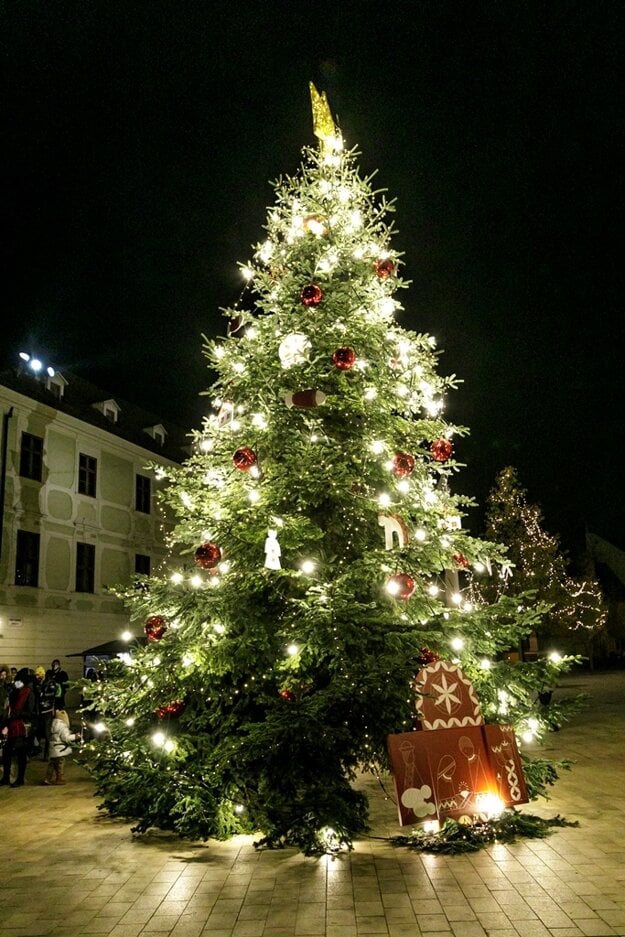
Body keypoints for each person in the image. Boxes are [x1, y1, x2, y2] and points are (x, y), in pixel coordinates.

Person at [1, 667, 37, 788]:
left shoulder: (29, 694)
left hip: (22, 726)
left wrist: (16, 713)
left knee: (21, 754)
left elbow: (30, 712)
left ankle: (20, 778)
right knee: (7, 753)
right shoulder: (15, 692)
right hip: (12, 725)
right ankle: (6, 777)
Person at [42, 708, 79, 785]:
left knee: (52, 764)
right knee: (60, 765)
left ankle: (47, 778)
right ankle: (59, 778)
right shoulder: (62, 726)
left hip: (53, 748)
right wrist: (75, 736)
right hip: (60, 749)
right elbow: (66, 738)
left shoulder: (53, 724)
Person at [36, 666, 60, 760]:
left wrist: (43, 694)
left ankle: (48, 754)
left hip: (47, 711)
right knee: (38, 733)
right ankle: (38, 752)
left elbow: (53, 694)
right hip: (40, 711)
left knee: (47, 734)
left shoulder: (50, 683)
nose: (37, 676)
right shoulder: (38, 683)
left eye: (39, 674)